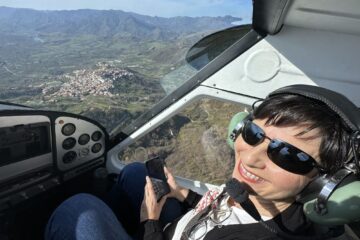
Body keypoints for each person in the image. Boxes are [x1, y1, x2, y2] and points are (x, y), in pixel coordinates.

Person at [45, 86, 357, 240]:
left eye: (288, 154)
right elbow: (225, 212)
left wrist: (149, 223)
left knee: (79, 208)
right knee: (135, 173)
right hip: (184, 226)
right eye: (253, 133)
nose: (251, 157)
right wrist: (181, 194)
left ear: (322, 182)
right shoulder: (256, 197)